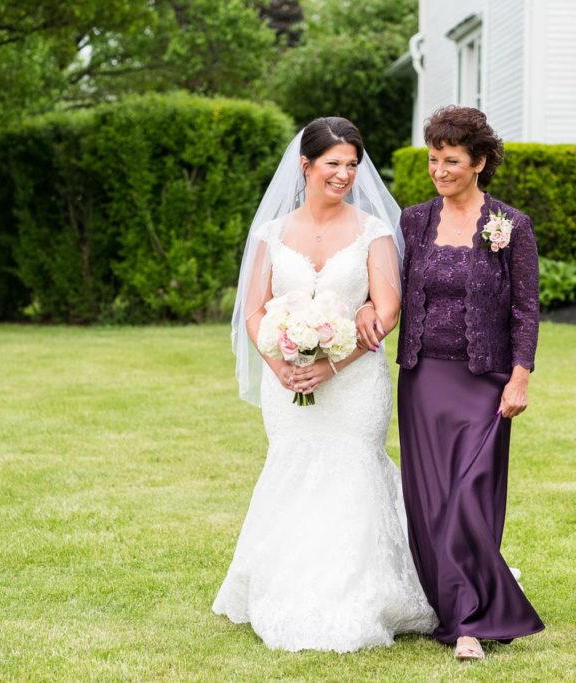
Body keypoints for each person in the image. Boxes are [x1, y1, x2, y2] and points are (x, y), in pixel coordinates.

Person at [213, 117, 437, 652]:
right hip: (286, 382)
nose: (343, 174)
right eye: (333, 163)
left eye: (352, 165)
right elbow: (254, 311)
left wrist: (333, 363)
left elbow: (387, 310)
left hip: (356, 382)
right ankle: (284, 586)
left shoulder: (373, 231)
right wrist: (281, 363)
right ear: (305, 165)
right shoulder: (271, 233)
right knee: (293, 466)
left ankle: (361, 595)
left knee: (352, 467)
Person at [358, 105, 545, 660]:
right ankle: (459, 609)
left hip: (485, 380)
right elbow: (386, 284)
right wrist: (369, 305)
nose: (439, 170)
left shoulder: (510, 225)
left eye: (452, 161)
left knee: (469, 496)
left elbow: (526, 310)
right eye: (434, 159)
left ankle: (470, 623)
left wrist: (520, 378)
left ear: (480, 163)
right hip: (423, 378)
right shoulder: (413, 222)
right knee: (432, 501)